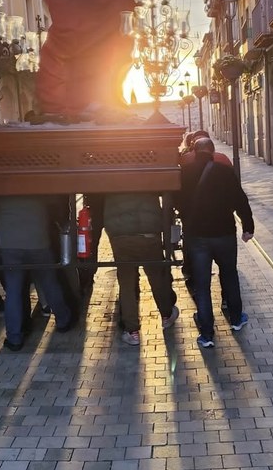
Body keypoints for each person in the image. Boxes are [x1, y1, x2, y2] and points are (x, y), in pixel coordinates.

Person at [178, 138, 254, 348]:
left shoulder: (184, 173)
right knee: (229, 274)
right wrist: (248, 227)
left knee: (202, 285)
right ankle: (237, 319)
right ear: (212, 151)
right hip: (224, 234)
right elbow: (241, 200)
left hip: (197, 236)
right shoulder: (224, 171)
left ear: (194, 151)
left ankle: (207, 334)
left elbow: (176, 201)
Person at [0, 194, 75, 351]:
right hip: (38, 241)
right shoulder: (37, 185)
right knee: (49, 282)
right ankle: (63, 320)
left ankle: (14, 338)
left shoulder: (2, 187)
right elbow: (54, 202)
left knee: (13, 291)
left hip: (11, 245)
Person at [103, 192, 179, 346]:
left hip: (121, 236)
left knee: (126, 284)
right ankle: (166, 315)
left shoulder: (110, 177)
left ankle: (132, 331)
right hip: (148, 232)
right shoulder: (147, 174)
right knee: (157, 277)